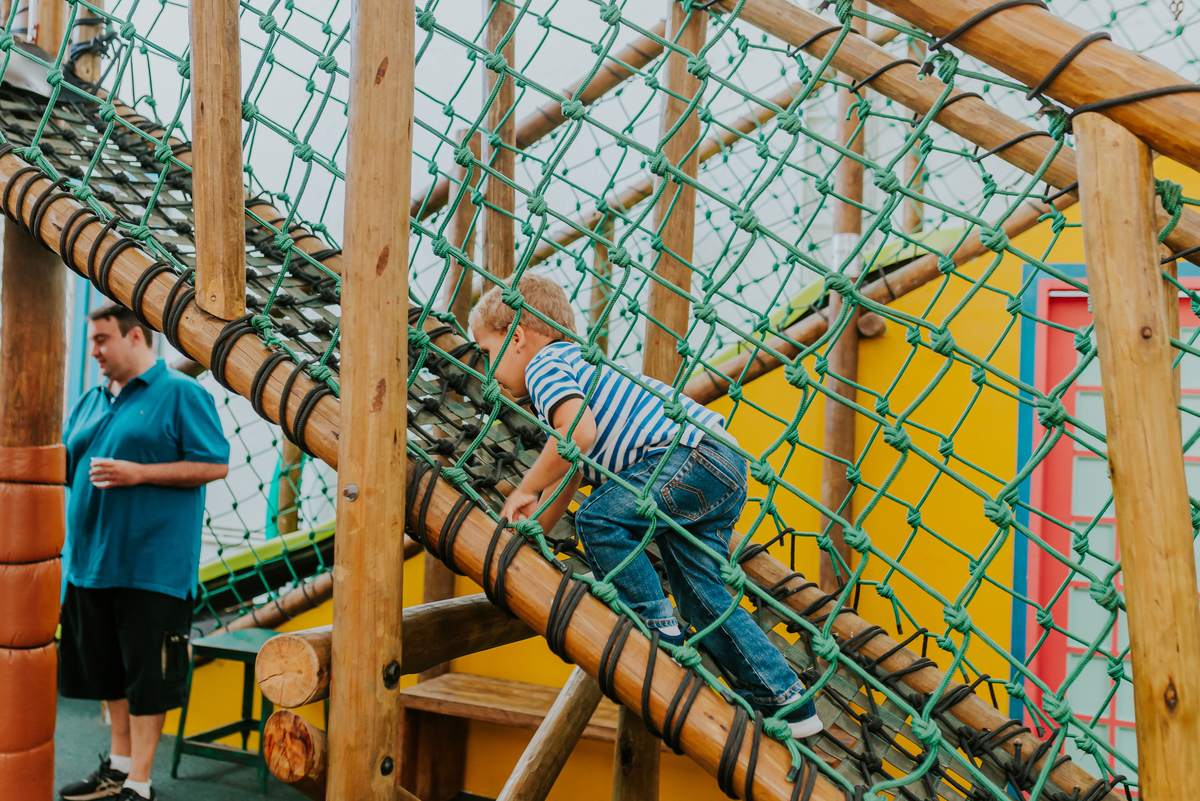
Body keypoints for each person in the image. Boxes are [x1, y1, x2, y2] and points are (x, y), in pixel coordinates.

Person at [471, 275, 822, 737]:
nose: (487, 367)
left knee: (598, 520)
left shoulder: (546, 365)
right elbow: (574, 468)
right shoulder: (578, 365)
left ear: (516, 338)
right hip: (720, 465)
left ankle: (658, 634)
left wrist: (522, 489)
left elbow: (577, 436)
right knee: (702, 595)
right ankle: (789, 702)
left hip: (687, 459)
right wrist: (537, 525)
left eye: (489, 352)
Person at [57, 305, 230, 801]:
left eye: (102, 340)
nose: (94, 352)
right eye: (92, 341)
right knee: (108, 673)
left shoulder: (181, 393)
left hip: (153, 568)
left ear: (136, 337)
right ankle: (118, 765)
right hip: (90, 565)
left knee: (148, 679)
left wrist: (140, 473)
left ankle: (141, 783)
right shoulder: (90, 400)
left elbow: (215, 464)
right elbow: (66, 468)